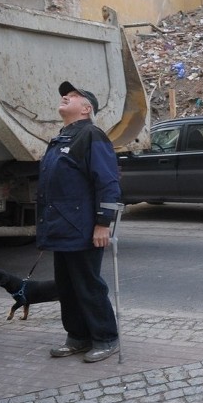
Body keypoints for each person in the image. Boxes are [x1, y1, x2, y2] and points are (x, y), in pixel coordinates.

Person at [36, 81, 122, 363]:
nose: (65, 96)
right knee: (67, 286)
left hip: (83, 227)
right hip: (62, 226)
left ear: (86, 109)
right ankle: (78, 337)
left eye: (72, 96)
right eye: (65, 94)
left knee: (87, 285)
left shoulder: (92, 135)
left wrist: (102, 223)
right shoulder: (63, 137)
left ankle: (106, 338)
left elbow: (108, 182)